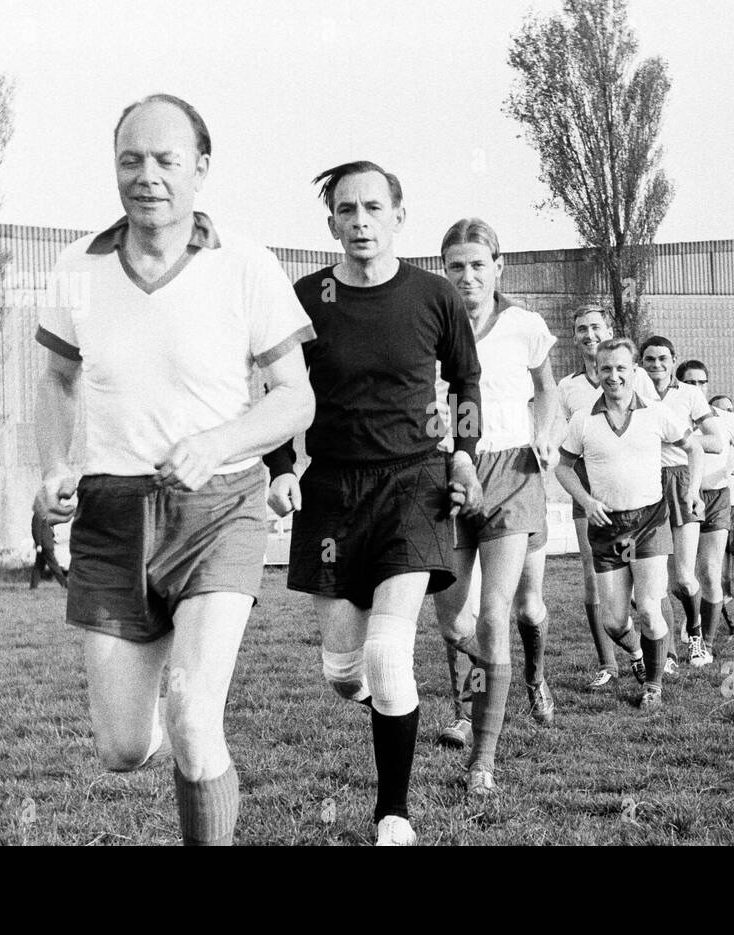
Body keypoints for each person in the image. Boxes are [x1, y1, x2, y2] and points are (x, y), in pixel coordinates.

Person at [33, 94, 316, 846]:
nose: (147, 175)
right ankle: (173, 740)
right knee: (124, 747)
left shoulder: (247, 264)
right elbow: (57, 382)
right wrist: (55, 465)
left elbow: (296, 398)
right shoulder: (76, 267)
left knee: (194, 716)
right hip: (111, 514)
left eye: (165, 159)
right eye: (131, 159)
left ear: (201, 167)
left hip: (219, 507)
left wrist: (221, 441)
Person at [264, 161, 483, 846]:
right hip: (330, 492)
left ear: (398, 216)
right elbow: (274, 391)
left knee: (390, 657)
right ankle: (350, 676)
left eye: (372, 208)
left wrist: (467, 454)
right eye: (347, 210)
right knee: (344, 673)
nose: (360, 221)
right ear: (331, 221)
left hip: (414, 485)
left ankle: (394, 813)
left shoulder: (433, 296)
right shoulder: (306, 299)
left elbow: (466, 382)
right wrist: (279, 466)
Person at [429, 218, 557, 796]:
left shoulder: (525, 325)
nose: (468, 275)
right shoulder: (427, 322)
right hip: (445, 472)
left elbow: (547, 388)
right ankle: (492, 687)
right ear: (444, 270)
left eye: (479, 264)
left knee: (497, 613)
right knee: (454, 620)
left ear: (498, 266)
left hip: (511, 470)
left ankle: (483, 757)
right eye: (456, 265)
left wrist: (547, 431)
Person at [555, 338, 706, 710]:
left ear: (633, 370)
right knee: (614, 622)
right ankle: (639, 655)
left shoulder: (654, 413)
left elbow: (694, 447)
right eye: (606, 368)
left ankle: (653, 686)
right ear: (598, 371)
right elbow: (562, 466)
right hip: (607, 528)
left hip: (648, 523)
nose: (614, 376)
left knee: (650, 609)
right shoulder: (582, 420)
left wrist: (693, 490)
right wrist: (586, 501)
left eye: (621, 368)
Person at [557, 306, 657, 691]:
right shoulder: (568, 386)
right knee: (593, 578)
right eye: (581, 328)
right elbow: (564, 447)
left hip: (639, 498)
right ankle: (609, 662)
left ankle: (664, 659)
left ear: (609, 329)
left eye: (596, 326)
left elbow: (655, 427)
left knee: (648, 580)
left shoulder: (636, 375)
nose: (589, 333)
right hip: (588, 492)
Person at [637, 339, 724, 671]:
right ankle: (668, 653)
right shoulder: (635, 394)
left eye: (662, 358)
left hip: (681, 481)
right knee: (654, 580)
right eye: (648, 359)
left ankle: (697, 635)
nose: (656, 364)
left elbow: (716, 441)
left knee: (684, 579)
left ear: (673, 361)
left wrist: (674, 436)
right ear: (640, 363)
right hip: (645, 483)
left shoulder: (689, 394)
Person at [674, 363, 734, 661]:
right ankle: (690, 625)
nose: (697, 387)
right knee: (679, 579)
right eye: (690, 382)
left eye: (702, 382)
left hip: (716, 497)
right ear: (680, 385)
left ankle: (705, 645)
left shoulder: (724, 419)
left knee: (711, 573)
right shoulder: (669, 413)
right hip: (678, 495)